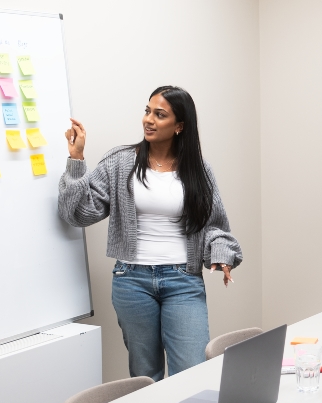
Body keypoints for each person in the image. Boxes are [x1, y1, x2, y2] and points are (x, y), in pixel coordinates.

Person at [58, 85, 242, 381]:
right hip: (132, 281)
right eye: (147, 111)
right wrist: (77, 160)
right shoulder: (120, 162)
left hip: (183, 280)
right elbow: (77, 213)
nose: (149, 120)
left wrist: (221, 255)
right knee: (146, 376)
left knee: (192, 372)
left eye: (160, 115)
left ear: (179, 126)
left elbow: (215, 225)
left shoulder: (198, 171)